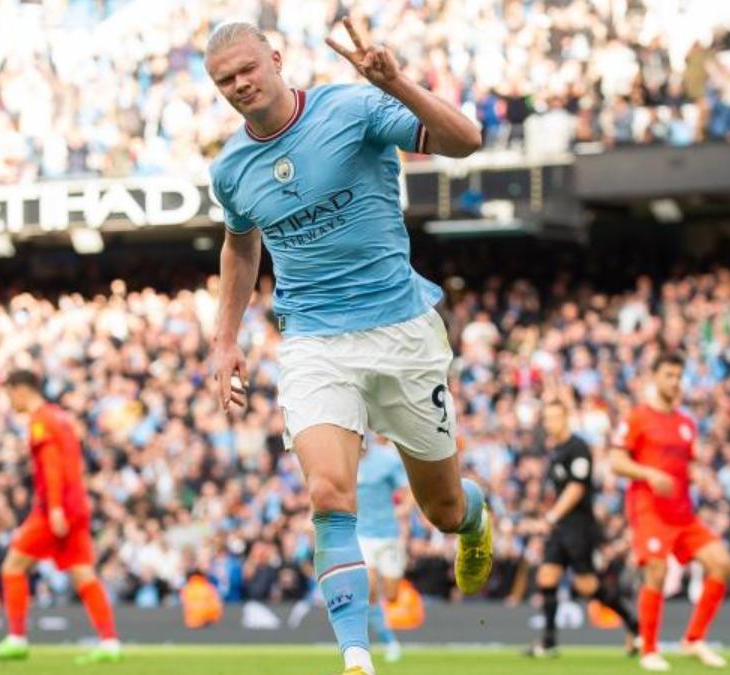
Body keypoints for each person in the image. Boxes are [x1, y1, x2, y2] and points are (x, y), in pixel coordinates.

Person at [205, 19, 488, 675]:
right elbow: (240, 245)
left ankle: (474, 517)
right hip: (311, 339)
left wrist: (397, 84)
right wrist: (225, 341)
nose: (240, 84)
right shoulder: (230, 169)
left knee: (440, 508)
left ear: (275, 58)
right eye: (225, 80)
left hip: (401, 330)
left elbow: (466, 140)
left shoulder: (353, 106)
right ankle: (356, 659)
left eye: (248, 68)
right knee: (329, 492)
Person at [0, 370, 121, 665]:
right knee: (84, 574)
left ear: (22, 390)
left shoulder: (40, 420)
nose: (9, 400)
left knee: (12, 566)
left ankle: (16, 639)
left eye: (10, 393)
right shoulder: (60, 416)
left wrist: (55, 507)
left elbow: (51, 464)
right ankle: (110, 644)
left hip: (54, 508)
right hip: (77, 504)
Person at [609, 352, 730, 671]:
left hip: (683, 514)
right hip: (649, 510)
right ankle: (649, 649)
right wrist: (649, 474)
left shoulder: (686, 424)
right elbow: (616, 462)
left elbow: (687, 466)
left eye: (679, 375)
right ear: (654, 376)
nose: (675, 381)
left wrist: (700, 476)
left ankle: (693, 639)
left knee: (722, 563)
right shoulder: (637, 417)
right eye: (668, 374)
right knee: (657, 571)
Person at [523, 399, 638, 657]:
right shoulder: (556, 451)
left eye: (554, 417)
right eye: (547, 418)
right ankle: (549, 643)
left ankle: (633, 622)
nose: (549, 423)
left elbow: (576, 488)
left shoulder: (578, 448)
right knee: (546, 577)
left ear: (566, 419)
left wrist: (551, 517)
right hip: (560, 526)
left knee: (587, 586)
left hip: (579, 526)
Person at [356, 439, 413, 663]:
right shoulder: (344, 459)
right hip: (361, 533)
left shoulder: (387, 460)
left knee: (390, 594)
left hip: (388, 534)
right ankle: (389, 641)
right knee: (369, 587)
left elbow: (407, 491)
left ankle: (381, 624)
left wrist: (404, 510)